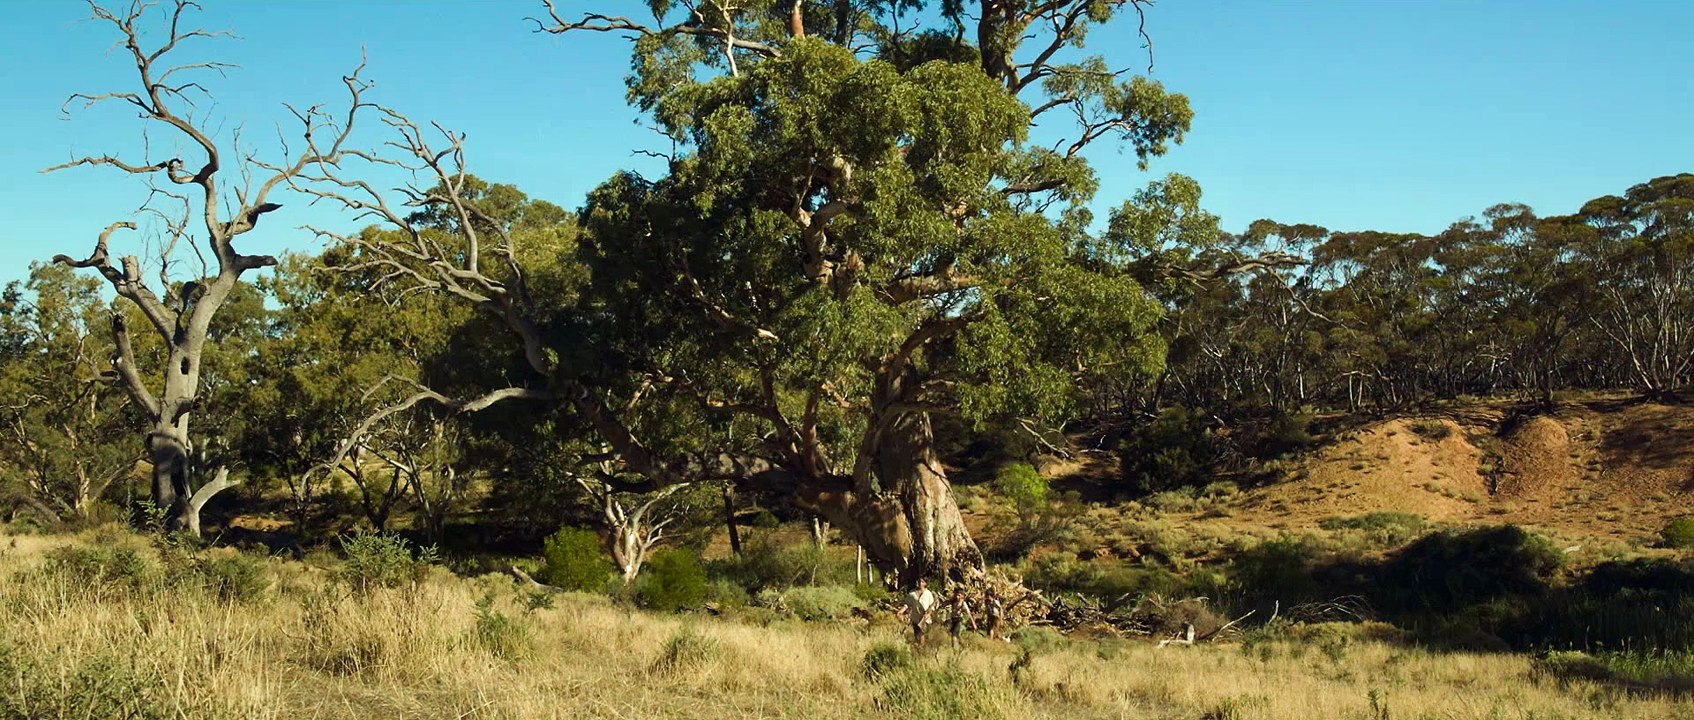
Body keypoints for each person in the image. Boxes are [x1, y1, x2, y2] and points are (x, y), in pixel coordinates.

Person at [899, 577, 937, 644]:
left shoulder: (928, 594)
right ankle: (919, 650)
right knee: (917, 636)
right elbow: (907, 604)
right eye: (919, 581)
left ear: (925, 583)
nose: (920, 583)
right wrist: (901, 611)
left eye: (922, 582)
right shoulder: (912, 593)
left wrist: (928, 614)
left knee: (921, 634)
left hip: (925, 619)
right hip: (915, 618)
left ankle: (921, 649)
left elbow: (931, 606)